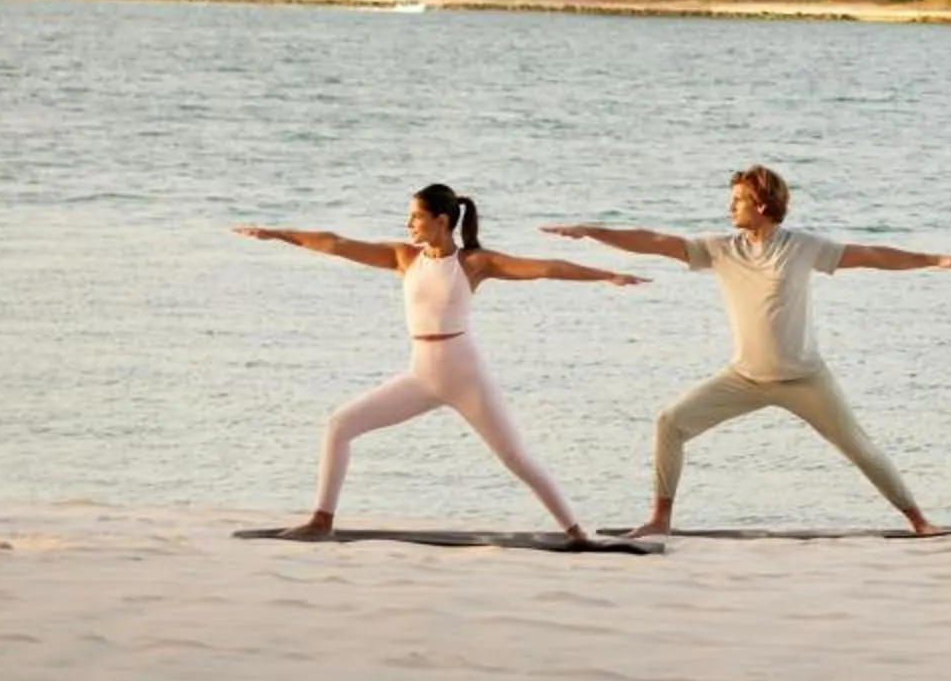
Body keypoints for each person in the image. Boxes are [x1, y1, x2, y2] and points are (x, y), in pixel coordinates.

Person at [543, 165, 951, 536]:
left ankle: (921, 523)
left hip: (805, 379)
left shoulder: (804, 247)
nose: (730, 207)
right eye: (731, 199)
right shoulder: (719, 249)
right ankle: (660, 520)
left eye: (739, 200)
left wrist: (933, 259)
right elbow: (655, 240)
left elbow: (872, 255)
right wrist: (591, 232)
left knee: (859, 448)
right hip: (745, 378)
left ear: (763, 205)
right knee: (670, 422)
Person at [233, 182, 646, 541]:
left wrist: (607, 275)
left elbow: (547, 268)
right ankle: (321, 520)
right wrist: (278, 234)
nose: (409, 225)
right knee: (340, 425)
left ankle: (577, 531)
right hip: (422, 376)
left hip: (464, 376)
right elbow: (335, 243)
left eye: (415, 217)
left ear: (442, 220)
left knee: (515, 457)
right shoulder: (403, 258)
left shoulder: (472, 263)